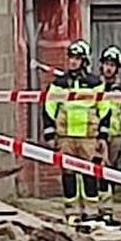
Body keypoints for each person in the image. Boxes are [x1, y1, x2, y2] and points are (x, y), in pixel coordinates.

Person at [42, 40, 110, 225]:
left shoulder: (94, 83)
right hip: (66, 137)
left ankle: (91, 212)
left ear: (85, 61)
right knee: (68, 174)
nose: (72, 62)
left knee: (89, 173)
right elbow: (49, 107)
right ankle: (72, 212)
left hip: (89, 137)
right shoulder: (60, 83)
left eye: (77, 58)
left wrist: (102, 136)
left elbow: (105, 109)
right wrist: (49, 134)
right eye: (71, 57)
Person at [95, 45, 121, 227]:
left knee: (110, 173)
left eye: (112, 64)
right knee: (96, 172)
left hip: (116, 135)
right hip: (96, 135)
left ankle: (107, 211)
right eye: (106, 64)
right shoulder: (94, 86)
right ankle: (95, 209)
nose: (109, 68)